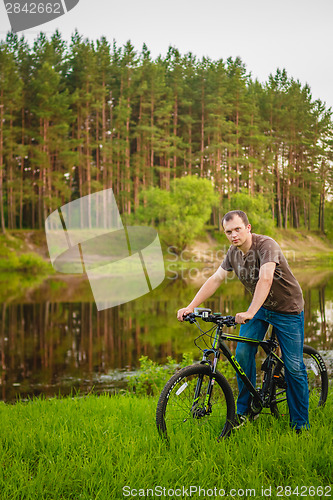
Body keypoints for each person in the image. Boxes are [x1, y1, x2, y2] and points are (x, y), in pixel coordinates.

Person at [177, 210, 309, 433]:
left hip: (288, 309)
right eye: (228, 232)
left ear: (248, 228)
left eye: (237, 229)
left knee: (294, 367)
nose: (233, 235)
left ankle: (300, 425)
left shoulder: (267, 245)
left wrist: (249, 311)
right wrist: (191, 306)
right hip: (261, 308)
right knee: (243, 353)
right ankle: (245, 412)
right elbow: (216, 278)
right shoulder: (233, 253)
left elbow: (266, 278)